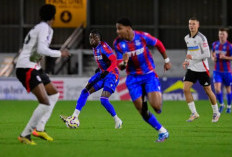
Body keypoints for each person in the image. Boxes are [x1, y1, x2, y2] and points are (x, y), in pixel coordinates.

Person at [16, 4, 70, 145]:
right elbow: (41, 48)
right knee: (45, 102)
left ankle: (40, 128)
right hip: (26, 67)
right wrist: (60, 53)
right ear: (54, 16)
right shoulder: (45, 28)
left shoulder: (40, 27)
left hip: (34, 66)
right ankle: (25, 134)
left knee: (54, 93)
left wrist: (37, 55)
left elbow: (35, 48)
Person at [114, 17, 171, 142]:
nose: (117, 31)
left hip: (148, 75)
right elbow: (120, 66)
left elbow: (158, 44)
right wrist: (124, 62)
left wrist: (166, 61)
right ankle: (162, 131)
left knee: (156, 107)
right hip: (133, 79)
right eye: (117, 29)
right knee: (142, 110)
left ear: (128, 28)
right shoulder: (118, 44)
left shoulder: (142, 37)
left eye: (120, 28)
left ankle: (153, 99)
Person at [60, 30, 123, 129]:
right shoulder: (95, 48)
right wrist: (100, 68)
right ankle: (74, 117)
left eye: (95, 37)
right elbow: (103, 60)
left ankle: (117, 120)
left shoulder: (103, 47)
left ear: (99, 39)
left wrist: (107, 71)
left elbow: (114, 60)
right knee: (85, 91)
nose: (92, 39)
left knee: (103, 99)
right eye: (91, 37)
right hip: (102, 74)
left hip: (111, 75)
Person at [182, 17, 220, 123]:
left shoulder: (202, 38)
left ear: (198, 25)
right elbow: (190, 52)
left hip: (202, 68)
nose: (191, 26)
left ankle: (216, 112)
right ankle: (194, 113)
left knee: (208, 91)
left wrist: (193, 58)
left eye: (193, 24)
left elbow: (207, 54)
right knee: (185, 89)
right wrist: (186, 60)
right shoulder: (186, 38)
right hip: (192, 68)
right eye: (190, 24)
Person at [211, 28, 232, 114]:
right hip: (217, 71)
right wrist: (213, 58)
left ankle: (229, 106)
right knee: (217, 88)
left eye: (223, 34)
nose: (221, 35)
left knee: (228, 89)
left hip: (227, 72)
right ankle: (221, 104)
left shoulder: (229, 46)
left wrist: (225, 57)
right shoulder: (215, 44)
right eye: (220, 34)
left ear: (226, 35)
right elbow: (212, 54)